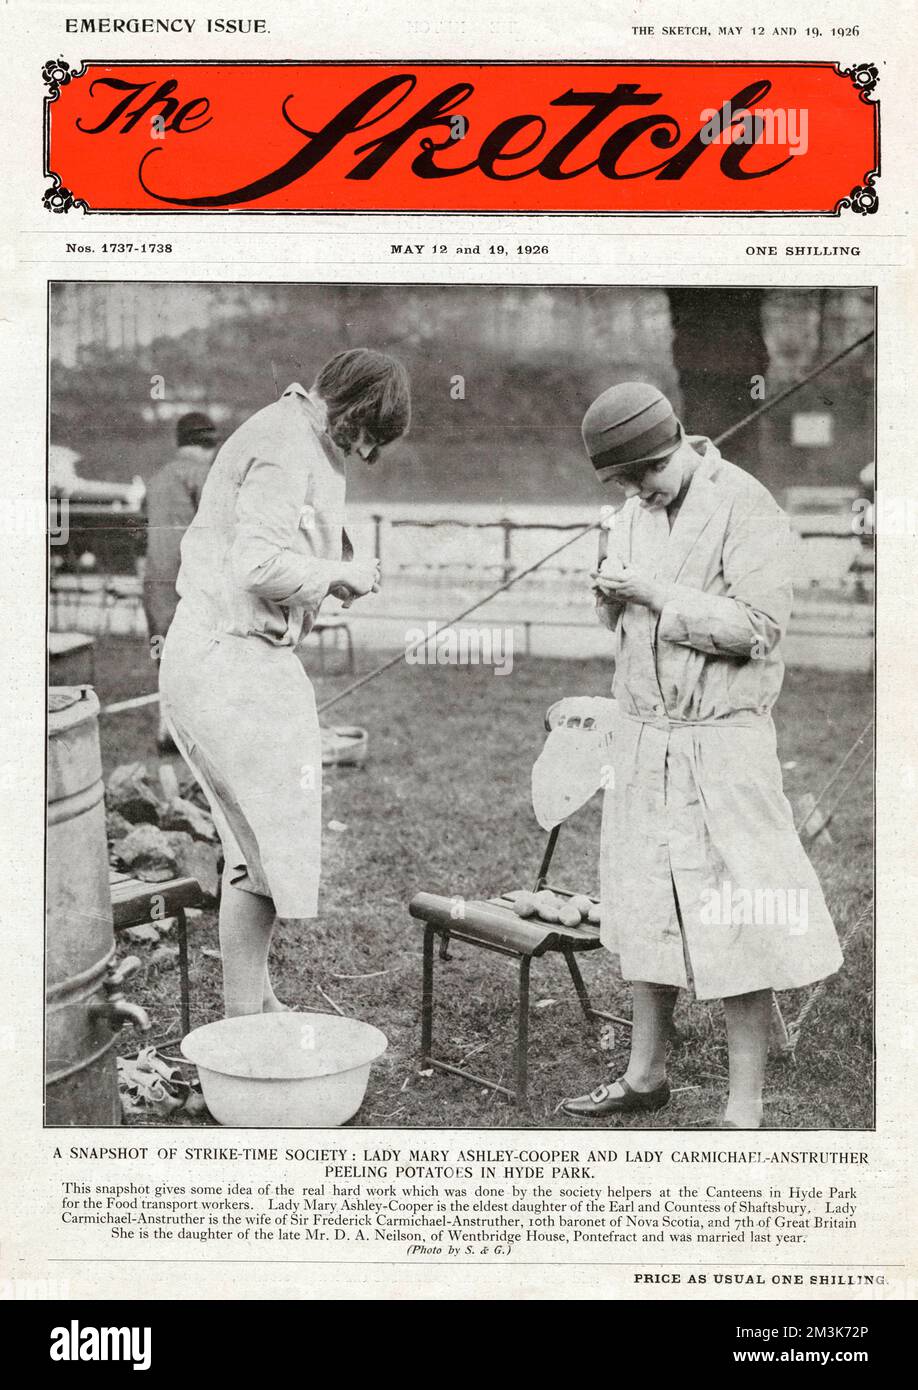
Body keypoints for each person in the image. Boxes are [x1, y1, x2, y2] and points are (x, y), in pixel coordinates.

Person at [561, 382, 842, 1129]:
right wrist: (611, 594)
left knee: (733, 916)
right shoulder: (633, 512)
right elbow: (619, 622)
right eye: (624, 484)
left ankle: (742, 1105)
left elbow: (758, 628)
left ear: (676, 441)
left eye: (646, 475)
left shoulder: (748, 506)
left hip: (721, 743)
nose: (640, 494)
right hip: (646, 734)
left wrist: (653, 593)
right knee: (644, 901)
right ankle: (644, 1072)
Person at [159, 350, 410, 1018]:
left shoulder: (297, 434)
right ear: (350, 405)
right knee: (259, 845)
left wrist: (326, 579)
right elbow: (257, 563)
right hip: (224, 659)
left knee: (266, 842)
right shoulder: (281, 441)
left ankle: (258, 999)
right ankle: (245, 1025)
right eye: (364, 434)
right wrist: (337, 575)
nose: (362, 450)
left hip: (246, 658)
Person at [143, 412, 219, 750]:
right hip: (189, 581)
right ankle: (193, 735)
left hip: (155, 582)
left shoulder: (157, 478)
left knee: (166, 659)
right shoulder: (205, 476)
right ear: (209, 443)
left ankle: (166, 730)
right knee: (200, 659)